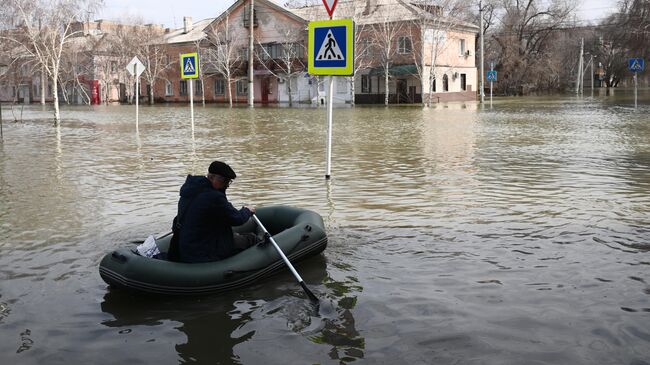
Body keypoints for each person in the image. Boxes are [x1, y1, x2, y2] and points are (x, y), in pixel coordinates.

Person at [168, 161, 257, 263]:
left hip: (186, 246)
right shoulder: (214, 197)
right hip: (202, 251)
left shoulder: (191, 190)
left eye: (229, 182)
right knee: (251, 238)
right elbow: (237, 219)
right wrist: (247, 210)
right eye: (225, 181)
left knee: (235, 236)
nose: (227, 185)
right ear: (211, 177)